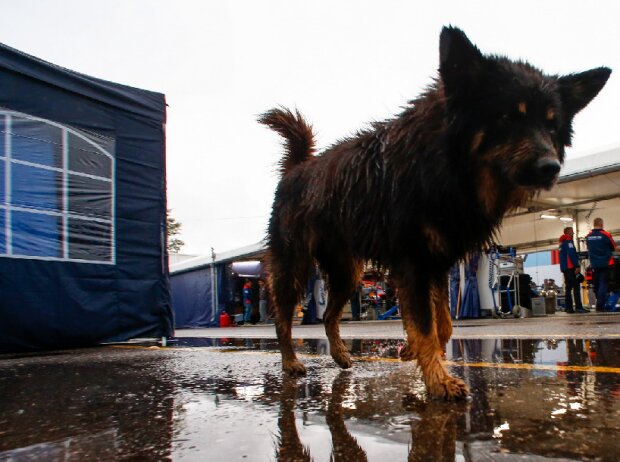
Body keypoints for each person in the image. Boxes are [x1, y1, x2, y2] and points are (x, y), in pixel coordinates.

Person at [586, 218, 616, 311]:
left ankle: (599, 302)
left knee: (597, 284)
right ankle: (600, 305)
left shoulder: (588, 236)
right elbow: (613, 247)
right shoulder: (606, 234)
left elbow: (589, 248)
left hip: (594, 264)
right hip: (606, 263)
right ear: (601, 224)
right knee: (603, 284)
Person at [559, 227, 586, 313]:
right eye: (572, 232)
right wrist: (577, 266)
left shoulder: (561, 244)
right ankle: (578, 307)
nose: (573, 233)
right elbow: (572, 254)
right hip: (571, 268)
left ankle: (569, 308)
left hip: (565, 269)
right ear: (568, 232)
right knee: (576, 288)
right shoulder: (569, 241)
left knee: (568, 289)